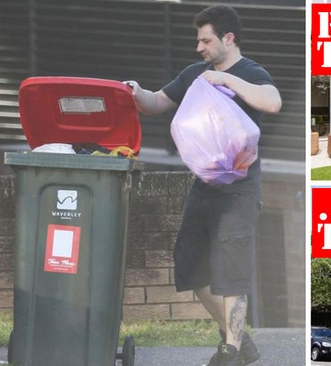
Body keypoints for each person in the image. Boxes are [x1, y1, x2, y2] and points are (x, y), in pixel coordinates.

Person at [125, 5, 281, 366]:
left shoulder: (249, 72)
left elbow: (272, 102)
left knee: (232, 270)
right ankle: (241, 340)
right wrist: (136, 93)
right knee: (192, 267)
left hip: (240, 192)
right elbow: (156, 103)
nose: (200, 47)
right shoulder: (195, 73)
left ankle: (229, 349)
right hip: (204, 188)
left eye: (206, 40)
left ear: (228, 38)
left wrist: (226, 80)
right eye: (198, 40)